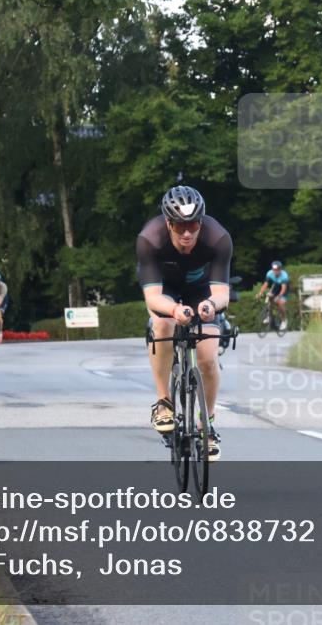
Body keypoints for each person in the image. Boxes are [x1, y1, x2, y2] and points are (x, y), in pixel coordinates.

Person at [137, 185, 232, 462]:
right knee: (163, 326)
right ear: (168, 223)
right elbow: (153, 298)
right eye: (180, 227)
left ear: (201, 221)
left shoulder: (218, 238)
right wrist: (176, 310)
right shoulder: (150, 239)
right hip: (165, 291)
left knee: (208, 357)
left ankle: (207, 424)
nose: (187, 233)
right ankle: (164, 402)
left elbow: (221, 294)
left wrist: (210, 306)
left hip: (202, 291)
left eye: (193, 225)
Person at [255, 260, 289, 331]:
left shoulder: (284, 276)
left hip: (284, 288)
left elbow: (283, 289)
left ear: (280, 270)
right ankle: (269, 316)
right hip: (276, 286)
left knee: (280, 303)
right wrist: (260, 293)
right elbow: (265, 284)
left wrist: (279, 297)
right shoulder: (269, 273)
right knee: (269, 297)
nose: (275, 272)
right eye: (274, 270)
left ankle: (284, 320)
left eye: (277, 270)